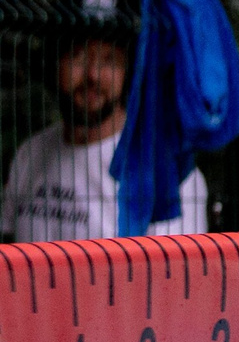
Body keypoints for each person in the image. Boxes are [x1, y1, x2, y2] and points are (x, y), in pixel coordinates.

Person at [0, 36, 208, 242]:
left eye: (110, 60)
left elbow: (177, 271)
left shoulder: (168, 173)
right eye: (78, 57)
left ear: (129, 71)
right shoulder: (31, 152)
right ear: (55, 65)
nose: (93, 75)